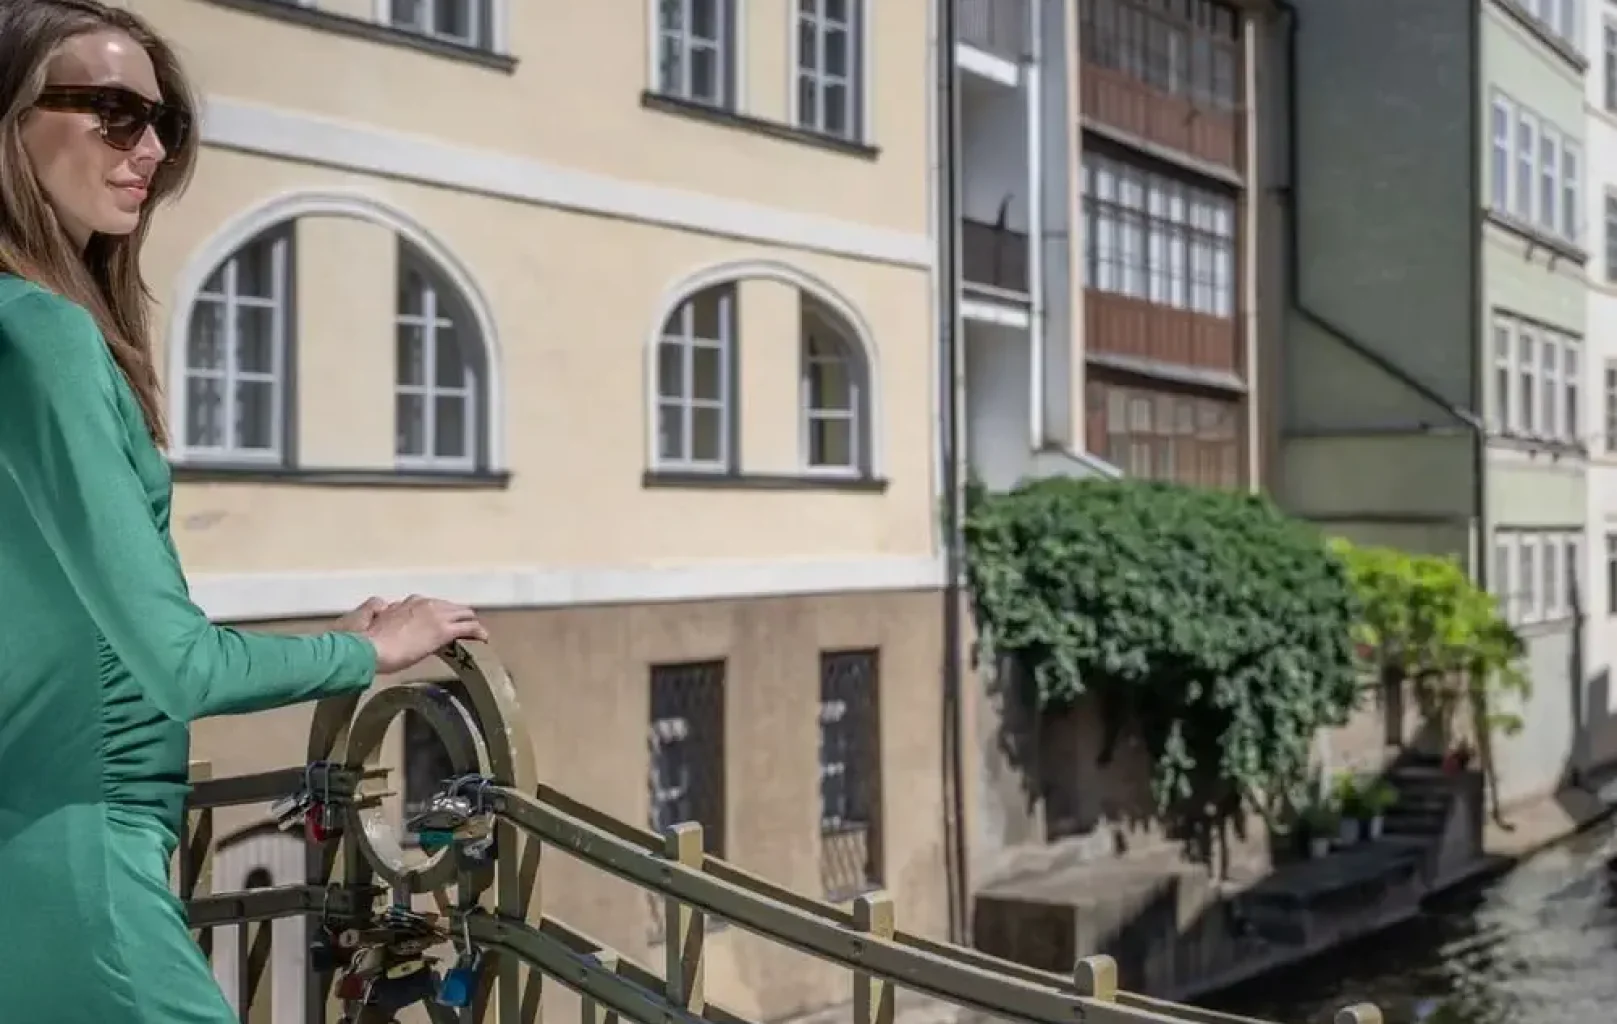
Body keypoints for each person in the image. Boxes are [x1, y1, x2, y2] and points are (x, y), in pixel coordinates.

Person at [0, 3, 490, 1020]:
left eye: (165, 121)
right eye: (112, 111)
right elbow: (174, 661)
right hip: (87, 869)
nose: (151, 148)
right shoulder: (43, 337)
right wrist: (365, 650)